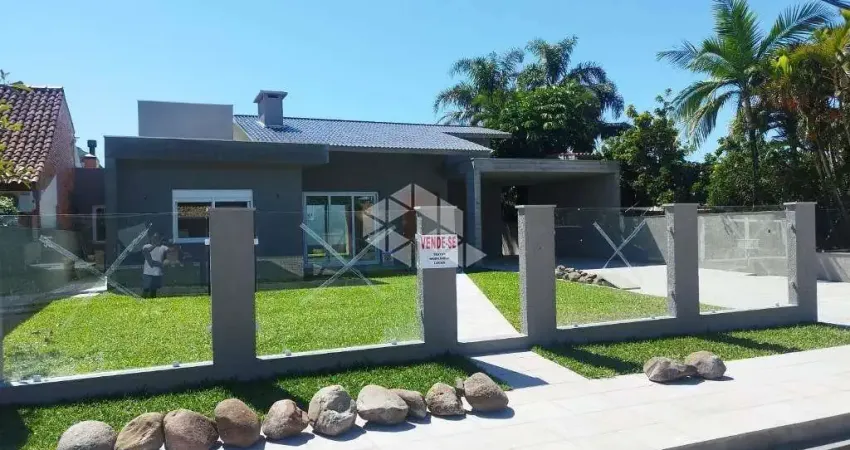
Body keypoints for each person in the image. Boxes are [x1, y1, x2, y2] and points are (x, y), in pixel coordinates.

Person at [141, 232, 169, 298]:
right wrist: (161, 264)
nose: (155, 238)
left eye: (157, 237)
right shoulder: (146, 246)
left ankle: (152, 302)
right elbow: (150, 262)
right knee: (146, 289)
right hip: (148, 273)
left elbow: (170, 252)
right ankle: (142, 301)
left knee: (154, 291)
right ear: (150, 238)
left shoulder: (163, 247)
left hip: (157, 273)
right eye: (154, 237)